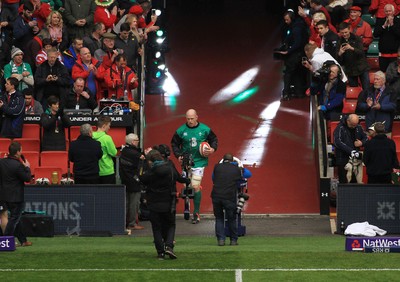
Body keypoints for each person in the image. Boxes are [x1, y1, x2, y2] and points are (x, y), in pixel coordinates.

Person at [171, 108, 218, 224]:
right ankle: (187, 205)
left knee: (196, 186)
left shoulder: (205, 129)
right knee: (186, 185)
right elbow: (174, 144)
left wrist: (212, 149)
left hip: (199, 162)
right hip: (185, 162)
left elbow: (214, 139)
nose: (190, 121)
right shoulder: (181, 130)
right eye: (188, 119)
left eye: (192, 118)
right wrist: (178, 156)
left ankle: (196, 213)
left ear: (197, 117)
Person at [139, 149, 186, 260]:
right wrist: (189, 180)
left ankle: (160, 252)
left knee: (156, 228)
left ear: (151, 161)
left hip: (154, 203)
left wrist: (141, 164)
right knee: (170, 225)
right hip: (169, 202)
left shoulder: (151, 172)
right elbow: (179, 178)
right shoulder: (170, 168)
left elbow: (140, 178)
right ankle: (169, 246)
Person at [211, 153, 250, 246]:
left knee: (219, 218)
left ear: (223, 160)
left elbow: (213, 178)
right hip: (229, 197)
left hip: (216, 196)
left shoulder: (217, 167)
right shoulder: (236, 169)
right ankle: (233, 240)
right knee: (232, 218)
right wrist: (240, 168)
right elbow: (248, 174)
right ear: (233, 161)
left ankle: (221, 240)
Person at [0, 141, 32, 246]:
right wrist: (27, 167)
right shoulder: (18, 165)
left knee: (16, 218)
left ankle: (23, 240)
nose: (22, 151)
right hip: (16, 197)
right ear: (18, 152)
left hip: (4, 195)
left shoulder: (2, 162)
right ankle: (5, 241)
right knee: (14, 219)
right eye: (21, 150)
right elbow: (27, 178)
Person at [276, 10, 308, 101]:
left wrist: (288, 51)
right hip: (301, 53)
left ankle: (286, 93)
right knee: (297, 73)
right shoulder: (299, 25)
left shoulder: (296, 29)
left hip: (295, 54)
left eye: (287, 20)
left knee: (288, 73)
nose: (286, 22)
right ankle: (299, 93)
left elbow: (297, 43)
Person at [119, 133, 145, 230]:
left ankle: (124, 222)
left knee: (126, 202)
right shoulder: (135, 153)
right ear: (133, 142)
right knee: (134, 203)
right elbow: (143, 160)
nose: (138, 142)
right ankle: (132, 223)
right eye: (137, 140)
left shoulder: (124, 151)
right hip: (133, 180)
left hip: (125, 179)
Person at [333, 114, 368, 183]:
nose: (354, 126)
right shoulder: (340, 128)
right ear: (348, 121)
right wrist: (351, 151)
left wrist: (361, 143)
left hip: (355, 160)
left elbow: (366, 138)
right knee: (344, 180)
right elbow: (337, 142)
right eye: (353, 124)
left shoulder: (358, 127)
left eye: (355, 124)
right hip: (342, 158)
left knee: (355, 181)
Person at [336, 22, 370, 90]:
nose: (344, 34)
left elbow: (361, 53)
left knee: (366, 89)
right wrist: (339, 53)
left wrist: (351, 48)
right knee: (353, 89)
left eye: (346, 32)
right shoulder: (339, 41)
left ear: (349, 29)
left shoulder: (357, 38)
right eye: (342, 33)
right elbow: (338, 60)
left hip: (361, 67)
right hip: (350, 69)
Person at [373, 4, 400, 71]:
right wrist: (384, 26)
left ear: (393, 12)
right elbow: (375, 34)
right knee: (383, 74)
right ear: (384, 12)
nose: (388, 13)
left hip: (395, 55)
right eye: (386, 11)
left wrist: (392, 25)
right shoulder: (380, 21)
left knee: (394, 75)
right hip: (383, 54)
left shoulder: (398, 21)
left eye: (390, 11)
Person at [92, 115, 117, 184]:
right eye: (109, 125)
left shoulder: (90, 136)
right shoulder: (107, 138)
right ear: (104, 126)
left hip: (94, 171)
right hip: (107, 171)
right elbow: (114, 153)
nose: (109, 127)